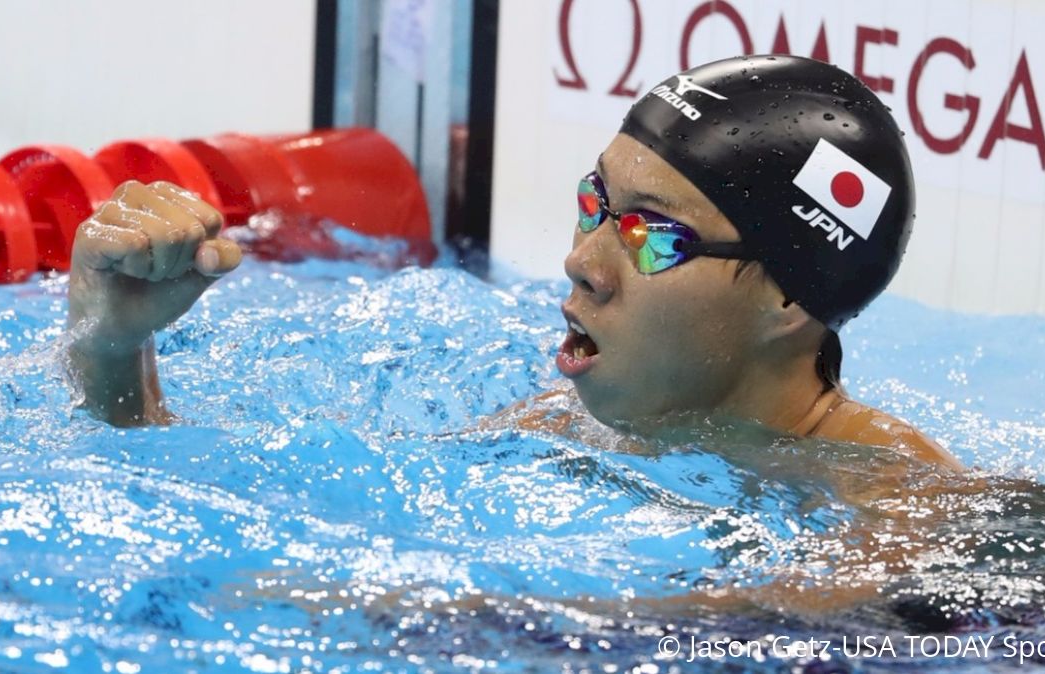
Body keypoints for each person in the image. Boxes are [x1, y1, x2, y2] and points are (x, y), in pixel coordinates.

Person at [64, 54, 960, 472]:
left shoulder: (892, 507)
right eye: (594, 204)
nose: (581, 261)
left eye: (653, 233)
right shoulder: (566, 427)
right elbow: (223, 498)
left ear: (788, 298)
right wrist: (111, 349)